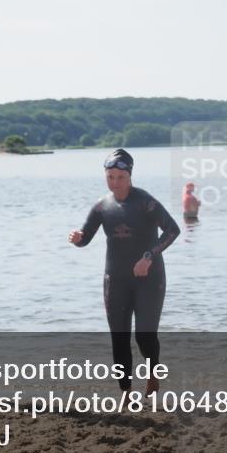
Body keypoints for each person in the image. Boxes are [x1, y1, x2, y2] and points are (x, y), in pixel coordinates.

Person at [69, 149, 180, 394]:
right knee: (119, 338)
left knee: (144, 335)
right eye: (110, 177)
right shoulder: (102, 206)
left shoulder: (145, 202)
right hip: (115, 281)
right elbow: (85, 238)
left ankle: (152, 372)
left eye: (120, 177)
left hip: (148, 280)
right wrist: (77, 238)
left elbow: (173, 230)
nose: (115, 182)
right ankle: (126, 394)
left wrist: (149, 256)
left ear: (130, 175)